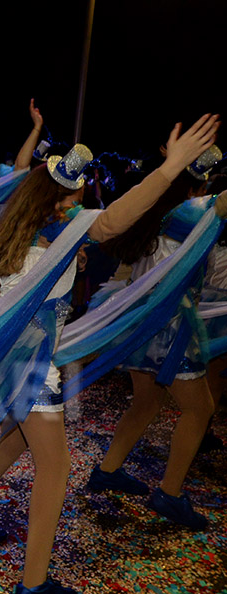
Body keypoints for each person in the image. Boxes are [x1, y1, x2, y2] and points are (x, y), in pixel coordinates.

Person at [0, 114, 220, 594]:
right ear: (60, 201)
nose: (79, 205)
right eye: (75, 197)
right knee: (56, 468)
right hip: (33, 365)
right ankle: (34, 585)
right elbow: (113, 220)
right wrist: (169, 169)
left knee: (15, 441)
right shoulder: (63, 230)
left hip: (13, 360)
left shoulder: (15, 230)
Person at [86, 147, 223, 530]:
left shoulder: (160, 209)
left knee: (146, 403)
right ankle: (170, 491)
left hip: (142, 319)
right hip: (169, 322)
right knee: (200, 410)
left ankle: (108, 470)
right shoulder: (190, 211)